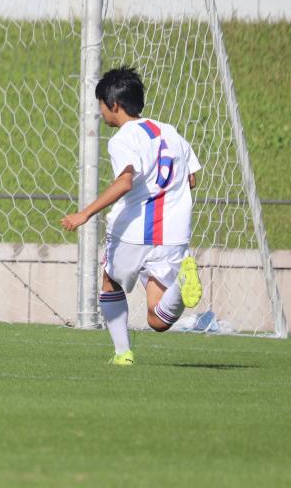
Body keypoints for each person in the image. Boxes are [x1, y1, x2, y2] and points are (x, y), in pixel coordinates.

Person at [60, 67, 203, 366]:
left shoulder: (123, 138)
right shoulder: (170, 132)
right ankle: (181, 285)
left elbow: (125, 182)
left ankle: (123, 353)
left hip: (135, 232)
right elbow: (191, 179)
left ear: (114, 105)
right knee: (157, 319)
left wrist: (84, 214)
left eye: (101, 104)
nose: (100, 111)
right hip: (173, 236)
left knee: (110, 281)